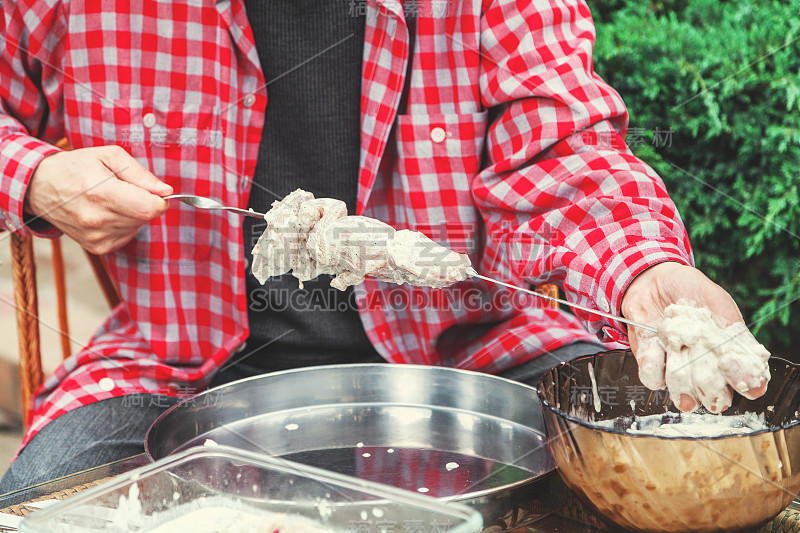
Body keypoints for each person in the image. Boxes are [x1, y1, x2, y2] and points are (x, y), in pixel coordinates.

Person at [0, 0, 767, 491]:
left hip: (478, 354)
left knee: (686, 478)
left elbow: (561, 150)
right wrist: (35, 176)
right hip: (175, 368)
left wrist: (647, 269)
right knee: (44, 504)